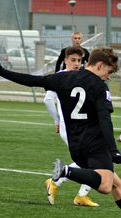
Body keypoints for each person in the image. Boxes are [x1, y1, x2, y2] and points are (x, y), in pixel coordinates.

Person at [0, 47, 121, 218]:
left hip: (76, 146)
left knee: (117, 185)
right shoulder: (99, 87)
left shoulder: (63, 78)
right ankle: (66, 172)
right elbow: (104, 120)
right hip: (95, 145)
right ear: (100, 65)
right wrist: (113, 149)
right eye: (108, 72)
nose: (108, 77)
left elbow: (31, 80)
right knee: (107, 186)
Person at [43, 46, 98, 207]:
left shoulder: (82, 76)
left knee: (95, 162)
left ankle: (79, 194)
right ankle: (57, 181)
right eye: (73, 60)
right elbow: (47, 100)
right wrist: (57, 120)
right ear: (65, 60)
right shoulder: (59, 77)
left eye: (79, 61)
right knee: (93, 162)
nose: (76, 63)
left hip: (84, 127)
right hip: (70, 128)